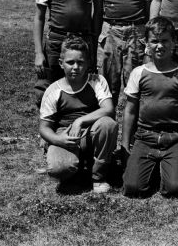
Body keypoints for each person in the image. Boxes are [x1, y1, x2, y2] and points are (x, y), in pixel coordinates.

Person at [121, 17, 178, 197]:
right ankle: (149, 167)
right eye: (154, 41)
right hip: (145, 137)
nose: (159, 46)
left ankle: (171, 167)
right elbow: (130, 110)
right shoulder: (139, 73)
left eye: (165, 40)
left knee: (175, 188)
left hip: (173, 137)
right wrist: (125, 143)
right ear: (147, 44)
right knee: (133, 188)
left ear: (174, 42)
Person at [39, 36, 118, 194]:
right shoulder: (53, 91)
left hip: (90, 134)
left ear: (88, 63)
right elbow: (44, 128)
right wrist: (58, 139)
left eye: (80, 62)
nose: (76, 67)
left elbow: (108, 109)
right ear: (61, 63)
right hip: (66, 137)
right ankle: (75, 163)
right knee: (58, 169)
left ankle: (98, 177)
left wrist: (80, 121)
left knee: (108, 124)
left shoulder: (96, 81)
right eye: (70, 62)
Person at [33, 0, 92, 106]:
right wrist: (38, 53)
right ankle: (50, 124)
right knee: (51, 86)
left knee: (78, 86)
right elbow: (39, 18)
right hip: (57, 42)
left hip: (81, 42)